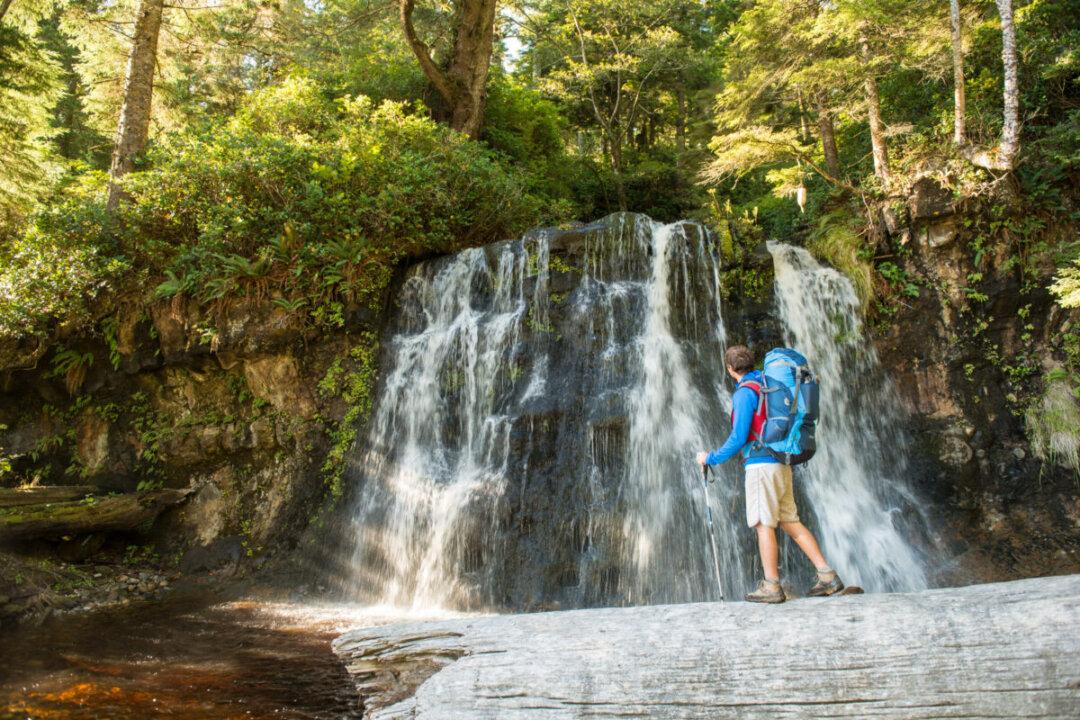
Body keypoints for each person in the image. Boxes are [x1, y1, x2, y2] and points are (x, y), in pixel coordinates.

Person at [696, 344, 843, 603]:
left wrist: (710, 457)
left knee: (763, 524)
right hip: (781, 461)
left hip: (761, 465)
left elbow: (739, 436)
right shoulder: (767, 383)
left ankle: (771, 586)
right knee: (789, 521)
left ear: (730, 369)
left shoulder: (745, 392)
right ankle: (826, 574)